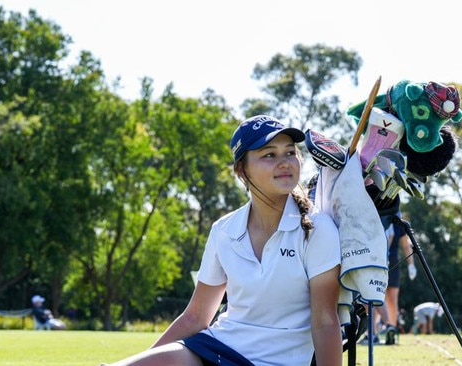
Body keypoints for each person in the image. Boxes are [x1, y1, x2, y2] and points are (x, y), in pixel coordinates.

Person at [100, 115, 342, 366]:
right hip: (217, 348)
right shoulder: (224, 230)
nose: (284, 163)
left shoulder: (316, 228)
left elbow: (325, 322)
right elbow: (196, 317)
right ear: (242, 170)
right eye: (269, 155)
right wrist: (144, 359)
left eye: (290, 153)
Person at [381, 220, 416, 344]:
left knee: (386, 298)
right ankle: (381, 331)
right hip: (381, 260)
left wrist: (412, 265)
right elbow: (406, 246)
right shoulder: (391, 218)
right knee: (382, 298)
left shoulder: (396, 222)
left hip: (389, 260)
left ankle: (390, 331)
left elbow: (406, 246)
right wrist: (411, 265)